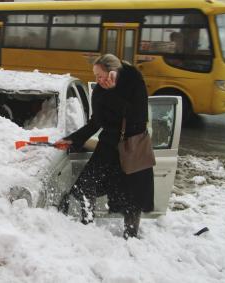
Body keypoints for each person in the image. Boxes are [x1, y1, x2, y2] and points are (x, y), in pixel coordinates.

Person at [55, 54, 154, 239]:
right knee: (85, 185)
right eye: (95, 76)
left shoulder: (134, 83)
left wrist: (113, 93)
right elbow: (95, 123)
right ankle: (88, 225)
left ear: (114, 73)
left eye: (101, 76)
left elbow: (137, 116)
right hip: (108, 146)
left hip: (131, 147)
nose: (98, 80)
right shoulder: (100, 90)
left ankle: (131, 235)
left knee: (132, 197)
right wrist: (72, 139)